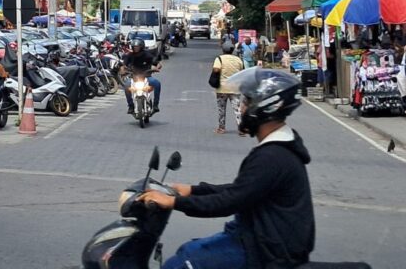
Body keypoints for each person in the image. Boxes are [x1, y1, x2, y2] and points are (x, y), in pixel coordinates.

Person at [139, 67, 314, 269]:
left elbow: (229, 202)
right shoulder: (279, 148)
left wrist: (173, 202)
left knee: (181, 264)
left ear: (265, 107)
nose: (241, 109)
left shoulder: (272, 157)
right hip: (256, 234)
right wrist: (193, 190)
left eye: (246, 102)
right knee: (190, 250)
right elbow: (242, 190)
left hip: (267, 250)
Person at [211, 41, 245, 134]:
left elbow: (216, 69)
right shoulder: (238, 60)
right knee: (237, 109)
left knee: (221, 109)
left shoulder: (219, 59)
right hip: (235, 88)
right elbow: (242, 71)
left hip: (222, 88)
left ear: (223, 50)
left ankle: (221, 128)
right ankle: (241, 129)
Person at [122, 38, 162, 114]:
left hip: (146, 77)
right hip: (134, 77)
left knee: (157, 83)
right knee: (126, 85)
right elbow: (124, 65)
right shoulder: (130, 55)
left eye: (137, 46)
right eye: (134, 47)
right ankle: (131, 106)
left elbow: (157, 63)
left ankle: (156, 105)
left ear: (141, 46)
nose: (136, 48)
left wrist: (157, 67)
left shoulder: (147, 54)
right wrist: (123, 70)